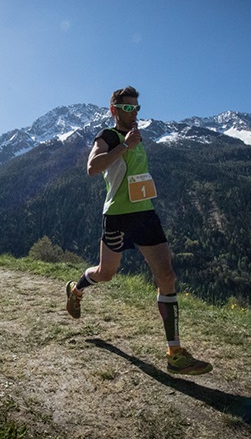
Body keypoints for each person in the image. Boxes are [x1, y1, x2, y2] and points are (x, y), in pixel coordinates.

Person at [66, 86, 213, 376]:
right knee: (106, 273)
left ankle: (175, 353)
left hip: (145, 215)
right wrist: (124, 146)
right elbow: (92, 168)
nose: (134, 114)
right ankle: (76, 288)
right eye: (128, 108)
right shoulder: (109, 137)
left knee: (167, 276)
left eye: (137, 108)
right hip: (118, 217)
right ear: (114, 110)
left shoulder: (137, 137)